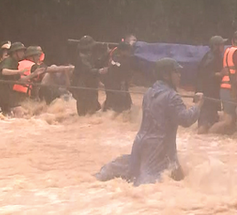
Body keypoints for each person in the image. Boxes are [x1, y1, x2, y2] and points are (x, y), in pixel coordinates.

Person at [94, 58, 203, 186]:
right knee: (148, 186)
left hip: (140, 143)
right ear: (166, 75)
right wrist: (199, 104)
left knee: (135, 177)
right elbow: (186, 120)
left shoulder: (149, 93)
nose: (179, 75)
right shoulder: (172, 96)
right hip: (159, 147)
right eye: (176, 71)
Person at [209, 29, 237, 134]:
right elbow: (236, 73)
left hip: (225, 87)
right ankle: (208, 135)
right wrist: (234, 91)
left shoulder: (228, 50)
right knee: (228, 121)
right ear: (235, 40)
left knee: (231, 122)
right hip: (231, 88)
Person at [0, 42, 45, 115]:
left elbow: (19, 81)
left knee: (22, 113)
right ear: (15, 52)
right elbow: (4, 71)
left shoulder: (15, 63)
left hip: (6, 97)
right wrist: (19, 72)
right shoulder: (9, 60)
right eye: (21, 51)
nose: (23, 53)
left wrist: (34, 74)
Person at [195, 36, 227, 134]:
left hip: (210, 90)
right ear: (215, 46)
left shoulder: (214, 56)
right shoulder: (210, 57)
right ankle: (201, 139)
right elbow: (204, 73)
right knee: (205, 119)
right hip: (207, 92)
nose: (223, 47)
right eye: (222, 45)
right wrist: (219, 74)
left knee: (211, 117)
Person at [71, 36, 107, 116]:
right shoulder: (81, 57)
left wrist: (106, 53)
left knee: (93, 109)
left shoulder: (88, 56)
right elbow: (88, 71)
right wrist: (100, 71)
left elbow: (97, 62)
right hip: (83, 86)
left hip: (89, 86)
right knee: (86, 111)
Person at [102, 42, 135, 114]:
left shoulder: (125, 58)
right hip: (114, 83)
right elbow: (116, 68)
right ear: (122, 51)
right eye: (127, 51)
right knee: (114, 101)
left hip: (120, 83)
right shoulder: (115, 58)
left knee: (125, 102)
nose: (129, 52)